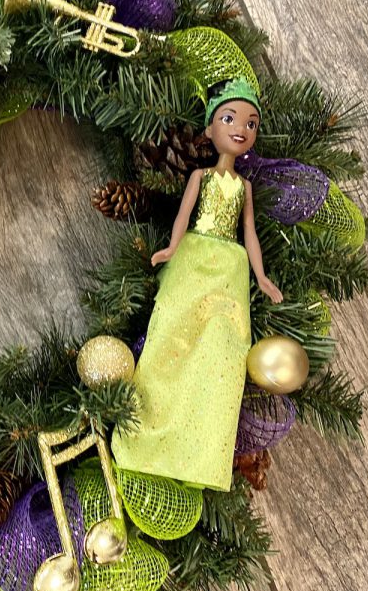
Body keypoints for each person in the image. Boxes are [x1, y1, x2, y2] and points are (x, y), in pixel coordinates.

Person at [111, 77, 283, 492]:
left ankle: (202, 453)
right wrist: (171, 249)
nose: (241, 129)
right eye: (230, 118)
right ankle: (147, 436)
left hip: (229, 270)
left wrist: (261, 276)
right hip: (193, 260)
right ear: (209, 128)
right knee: (172, 336)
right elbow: (184, 217)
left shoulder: (243, 187)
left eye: (251, 123)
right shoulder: (200, 177)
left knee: (220, 351)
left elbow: (249, 232)